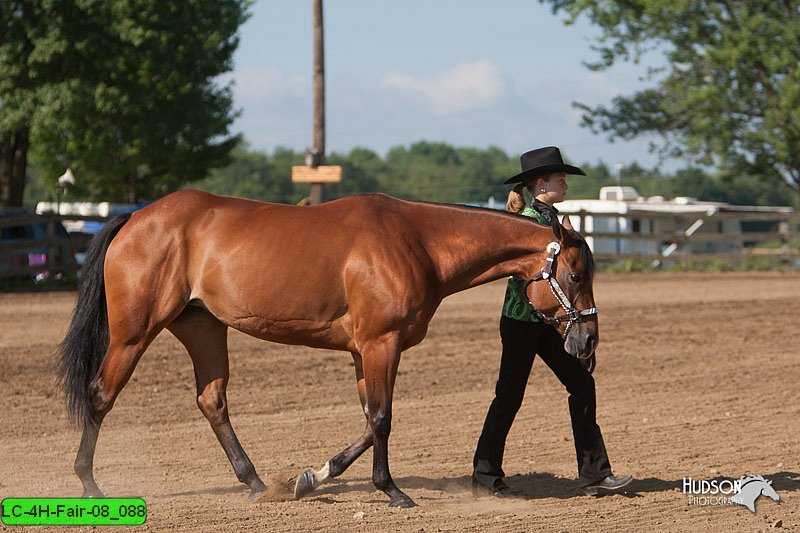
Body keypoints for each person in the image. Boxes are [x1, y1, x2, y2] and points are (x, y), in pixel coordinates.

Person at [472, 146, 632, 498]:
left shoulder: (553, 221)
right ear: (540, 182)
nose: (566, 182)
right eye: (560, 177)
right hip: (521, 322)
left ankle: (595, 475)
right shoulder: (528, 223)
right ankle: (485, 478)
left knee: (581, 385)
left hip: (550, 323)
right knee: (508, 397)